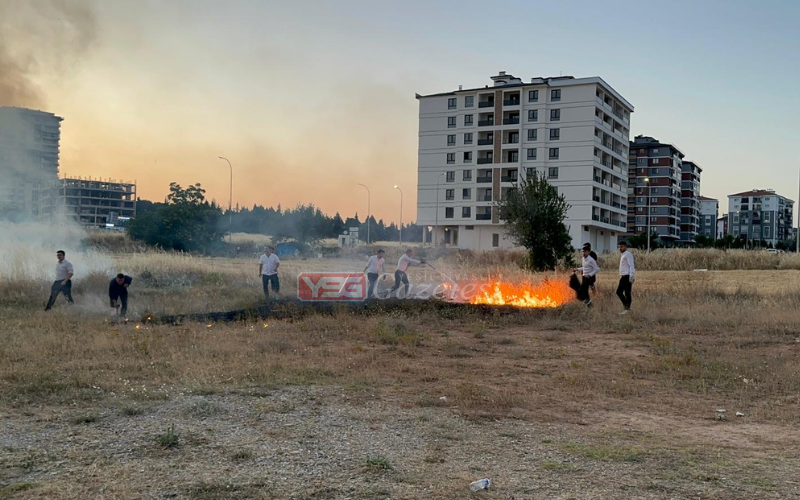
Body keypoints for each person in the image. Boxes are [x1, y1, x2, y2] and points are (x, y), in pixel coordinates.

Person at [616, 241, 635, 314]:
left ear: (626, 247)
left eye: (622, 247)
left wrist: (631, 275)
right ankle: (627, 308)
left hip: (626, 276)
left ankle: (626, 307)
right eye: (619, 247)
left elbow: (631, 265)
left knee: (620, 292)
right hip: (624, 276)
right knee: (627, 293)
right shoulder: (623, 255)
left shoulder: (628, 254)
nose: (620, 248)